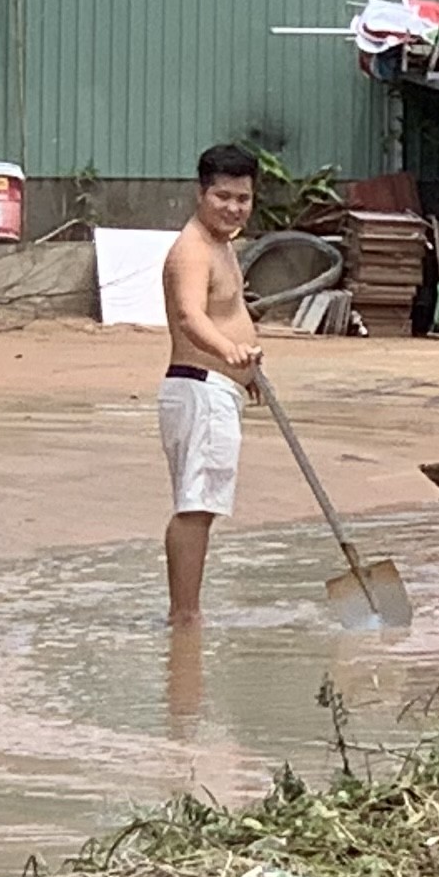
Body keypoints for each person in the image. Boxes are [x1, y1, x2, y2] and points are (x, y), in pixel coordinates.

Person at [160, 142, 265, 622]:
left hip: (219, 389)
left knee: (203, 505)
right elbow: (188, 315)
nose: (233, 207)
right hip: (198, 386)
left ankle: (188, 612)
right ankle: (185, 616)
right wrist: (229, 352)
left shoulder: (223, 245)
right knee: (196, 506)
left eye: (242, 198)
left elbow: (231, 312)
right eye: (223, 197)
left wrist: (248, 375)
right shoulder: (192, 249)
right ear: (201, 193)